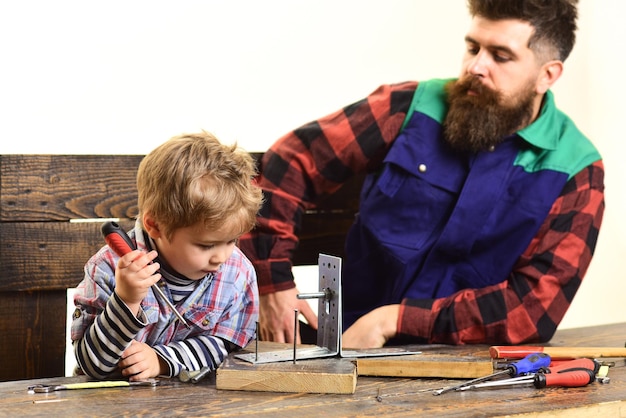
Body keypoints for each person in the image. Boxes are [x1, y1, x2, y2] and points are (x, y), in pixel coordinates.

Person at [238, 0, 605, 348]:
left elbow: (531, 310)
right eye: (473, 47)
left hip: (467, 371)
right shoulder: (410, 107)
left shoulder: (577, 171)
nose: (476, 66)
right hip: (346, 352)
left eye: (500, 56)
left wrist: (395, 320)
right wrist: (271, 282)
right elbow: (291, 160)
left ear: (547, 75)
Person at [71, 132, 263, 380]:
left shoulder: (237, 273)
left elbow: (229, 346)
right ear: (155, 225)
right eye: (207, 245)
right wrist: (126, 301)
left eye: (232, 240)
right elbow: (92, 365)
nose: (222, 257)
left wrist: (162, 360)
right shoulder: (108, 269)